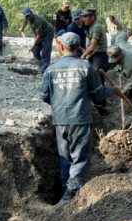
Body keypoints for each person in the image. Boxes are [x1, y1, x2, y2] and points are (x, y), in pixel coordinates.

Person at [41, 32, 122, 204]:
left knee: (65, 156)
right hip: (80, 118)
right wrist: (115, 91)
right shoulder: (85, 67)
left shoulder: (50, 69)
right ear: (78, 47)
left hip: (60, 119)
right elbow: (97, 94)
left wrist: (59, 104)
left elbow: (45, 96)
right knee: (80, 156)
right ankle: (73, 192)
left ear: (61, 46)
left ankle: (67, 188)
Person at [81, 8, 110, 116]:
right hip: (95, 56)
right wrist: (87, 56)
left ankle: (101, 109)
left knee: (98, 83)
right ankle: (94, 106)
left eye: (86, 17)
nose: (84, 19)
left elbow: (93, 46)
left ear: (92, 17)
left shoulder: (96, 27)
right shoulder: (91, 27)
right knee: (92, 81)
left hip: (100, 57)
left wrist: (84, 55)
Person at [19, 7, 54, 74]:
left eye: (29, 15)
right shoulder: (27, 17)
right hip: (40, 34)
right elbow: (25, 21)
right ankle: (41, 64)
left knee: (45, 52)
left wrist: (32, 47)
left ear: (32, 13)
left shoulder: (38, 20)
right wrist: (22, 28)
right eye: (26, 16)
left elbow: (39, 35)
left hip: (47, 33)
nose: (28, 17)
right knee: (35, 52)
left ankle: (44, 71)